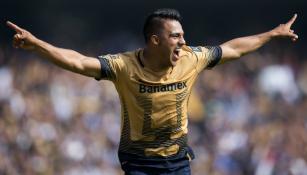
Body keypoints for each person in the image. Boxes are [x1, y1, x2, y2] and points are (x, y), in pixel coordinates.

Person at [7, 8, 298, 175]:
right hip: (139, 164)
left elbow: (233, 48)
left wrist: (271, 34)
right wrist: (39, 45)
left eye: (183, 35)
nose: (183, 42)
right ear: (155, 40)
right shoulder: (123, 66)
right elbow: (78, 61)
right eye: (176, 36)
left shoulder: (191, 58)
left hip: (178, 161)